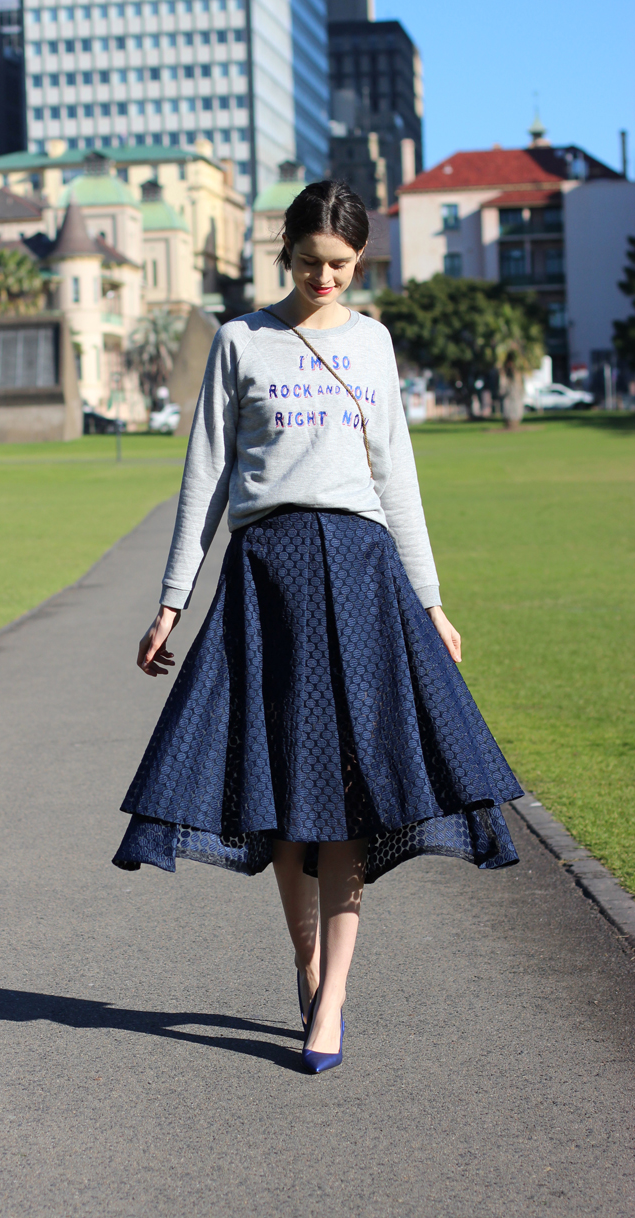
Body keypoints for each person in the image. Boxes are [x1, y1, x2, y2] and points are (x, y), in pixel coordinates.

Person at [113, 181, 523, 1075]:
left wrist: (432, 600)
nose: (323, 278)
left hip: (362, 577)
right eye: (308, 263)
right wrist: (172, 599)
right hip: (268, 579)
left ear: (359, 261)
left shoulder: (372, 343)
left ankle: (330, 998)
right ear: (285, 255)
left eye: (339, 265)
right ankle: (304, 962)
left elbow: (396, 479)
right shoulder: (241, 341)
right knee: (287, 807)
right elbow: (206, 478)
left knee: (348, 805)